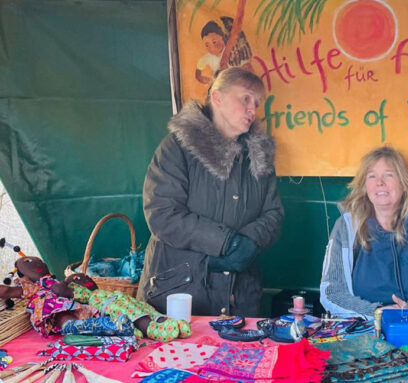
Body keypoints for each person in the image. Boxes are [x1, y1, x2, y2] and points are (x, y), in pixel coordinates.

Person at [137, 67, 284, 317]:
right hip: (178, 291)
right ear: (217, 97)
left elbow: (274, 214)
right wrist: (227, 241)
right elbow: (162, 213)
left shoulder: (260, 156)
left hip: (240, 294)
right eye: (245, 99)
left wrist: (250, 242)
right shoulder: (177, 147)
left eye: (257, 103)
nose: (253, 109)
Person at [320, 146, 408, 318]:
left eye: (389, 175)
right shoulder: (346, 226)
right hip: (363, 325)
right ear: (365, 185)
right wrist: (376, 313)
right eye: (372, 176)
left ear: (403, 182)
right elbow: (331, 292)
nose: (379, 182)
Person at [52, 273, 191, 342]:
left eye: (86, 276)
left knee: (143, 308)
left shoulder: (104, 291)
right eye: (77, 279)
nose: (85, 279)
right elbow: (59, 289)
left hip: (125, 300)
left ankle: (165, 321)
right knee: (131, 314)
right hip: (113, 305)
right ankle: (151, 329)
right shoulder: (91, 296)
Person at [0, 256, 96, 337]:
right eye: (28, 262)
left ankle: (84, 327)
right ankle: (75, 329)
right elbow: (7, 291)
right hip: (48, 306)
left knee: (77, 311)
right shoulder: (31, 285)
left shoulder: (54, 280)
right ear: (23, 276)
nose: (37, 264)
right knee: (61, 315)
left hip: (68, 304)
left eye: (40, 262)